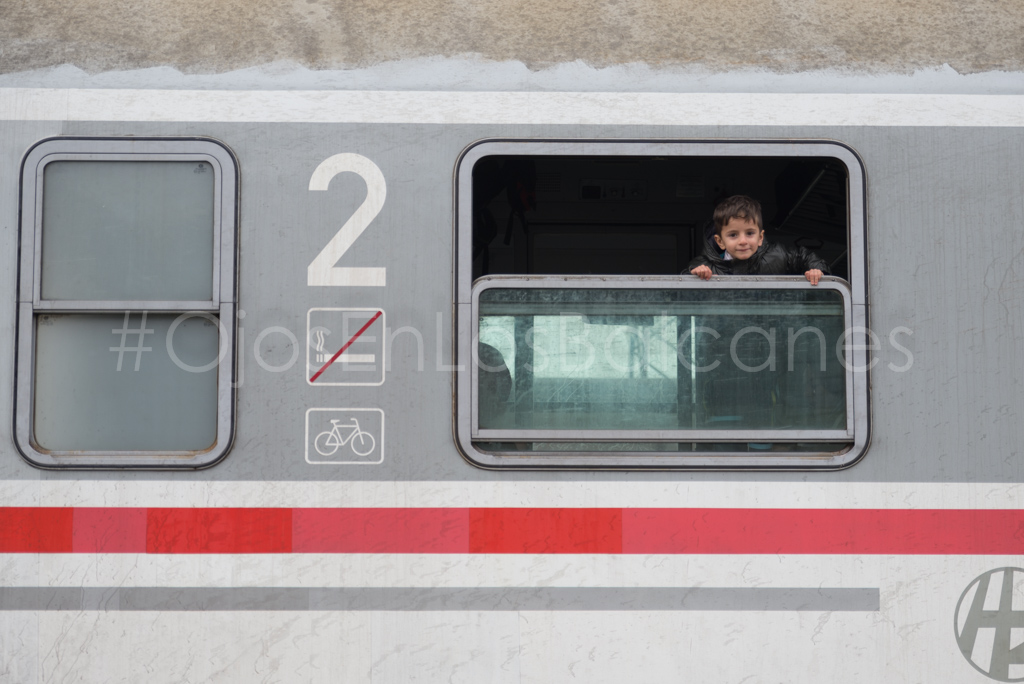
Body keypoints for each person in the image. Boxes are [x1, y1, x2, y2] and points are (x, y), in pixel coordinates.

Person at [688, 195, 827, 285]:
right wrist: (697, 275)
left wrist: (816, 270)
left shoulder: (778, 255)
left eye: (749, 233)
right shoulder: (707, 266)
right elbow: (685, 282)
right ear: (720, 241)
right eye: (733, 235)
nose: (743, 241)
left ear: (760, 237)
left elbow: (804, 256)